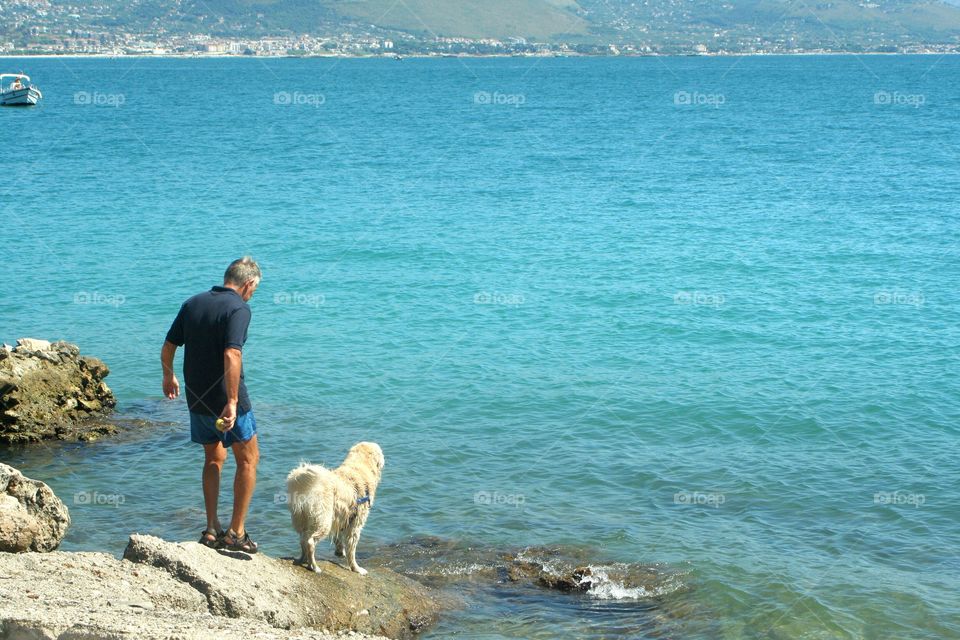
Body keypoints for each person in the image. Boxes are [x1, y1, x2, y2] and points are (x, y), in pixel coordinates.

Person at [161, 257, 262, 553]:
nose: (253, 293)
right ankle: (236, 533)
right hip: (227, 400)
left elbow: (169, 346)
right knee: (248, 459)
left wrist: (169, 376)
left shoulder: (193, 303)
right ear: (249, 283)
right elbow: (232, 354)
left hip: (197, 397)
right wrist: (232, 401)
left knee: (213, 459)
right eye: (255, 289)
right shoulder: (239, 308)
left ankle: (210, 529)